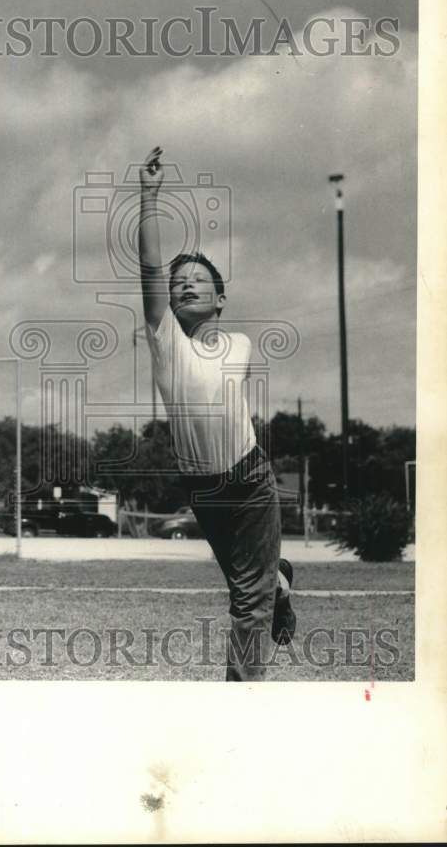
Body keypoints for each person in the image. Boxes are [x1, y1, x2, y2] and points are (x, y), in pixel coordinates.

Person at [138, 146, 295, 680]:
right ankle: (278, 580)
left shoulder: (241, 345)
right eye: (178, 282)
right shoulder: (165, 342)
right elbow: (150, 270)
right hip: (202, 488)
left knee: (246, 607)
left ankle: (239, 708)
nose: (185, 283)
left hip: (249, 481)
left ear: (220, 299)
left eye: (198, 280)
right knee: (249, 589)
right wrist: (149, 199)